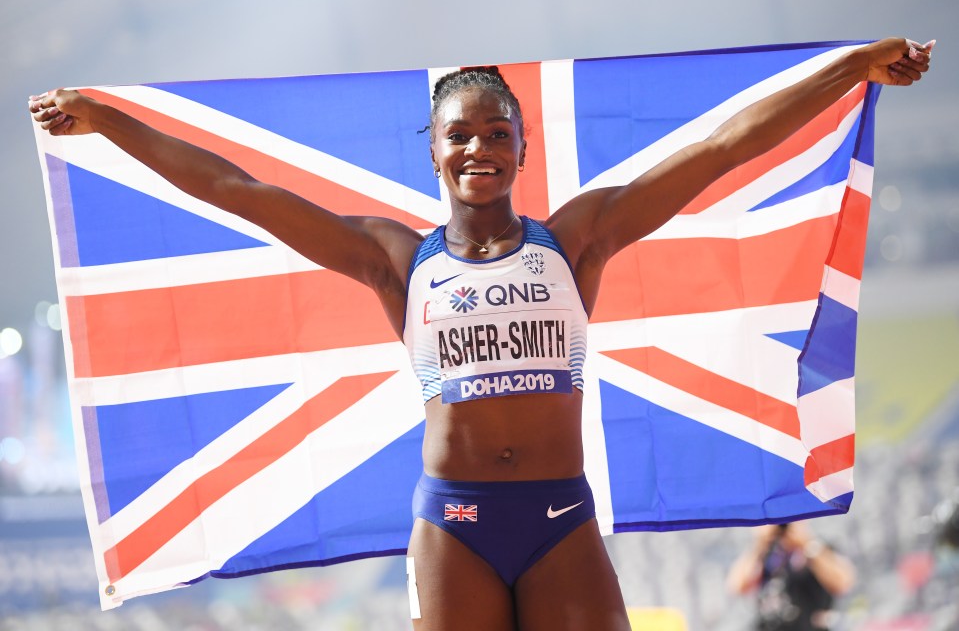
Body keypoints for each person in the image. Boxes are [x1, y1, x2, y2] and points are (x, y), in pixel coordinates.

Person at [31, 38, 931, 630]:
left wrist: (847, 70)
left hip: (560, 517)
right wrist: (108, 123)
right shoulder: (395, 257)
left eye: (495, 134)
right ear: (434, 150)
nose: (477, 151)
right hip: (453, 523)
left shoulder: (575, 239)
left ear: (520, 148)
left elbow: (722, 149)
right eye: (459, 136)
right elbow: (236, 192)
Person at [726, 522, 857, 631]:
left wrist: (807, 544)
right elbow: (737, 586)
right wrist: (760, 544)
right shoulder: (767, 554)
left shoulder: (818, 549)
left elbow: (843, 582)